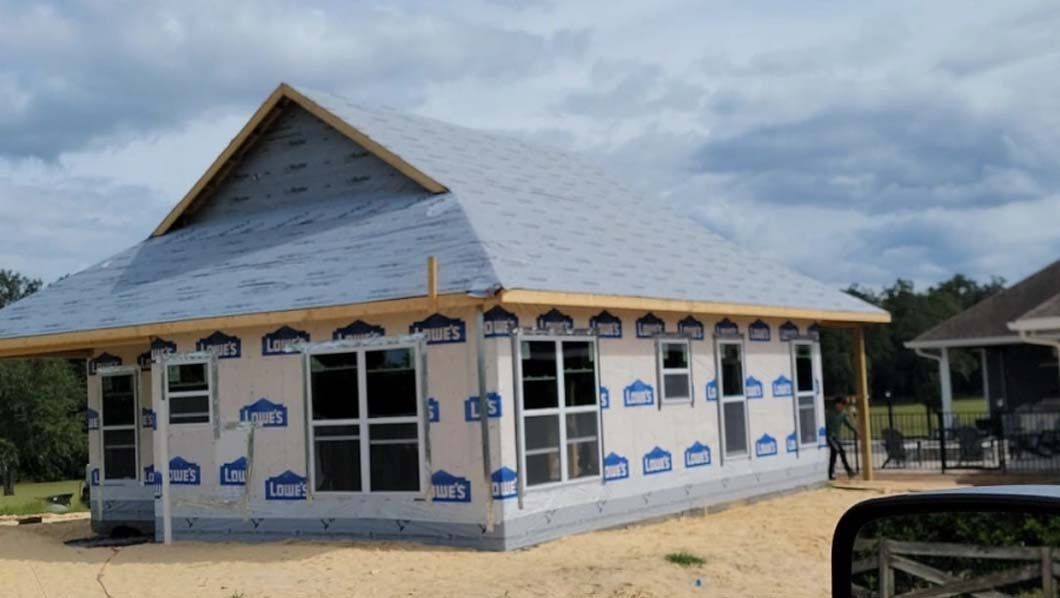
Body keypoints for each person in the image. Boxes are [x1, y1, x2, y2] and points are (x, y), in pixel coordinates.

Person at [826, 395, 857, 480]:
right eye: (842, 405)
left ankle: (849, 471)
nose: (843, 407)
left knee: (842, 452)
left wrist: (855, 430)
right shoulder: (829, 413)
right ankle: (831, 472)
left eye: (844, 406)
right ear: (837, 404)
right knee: (835, 450)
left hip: (837, 437)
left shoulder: (843, 414)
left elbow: (847, 423)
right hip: (829, 436)